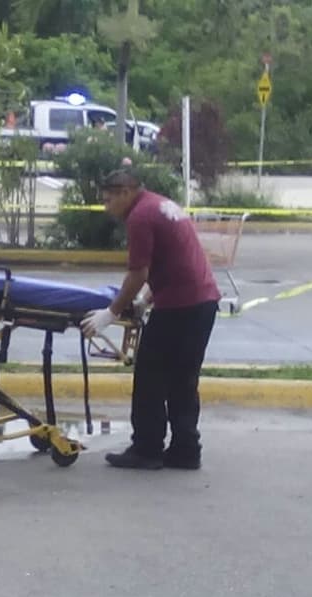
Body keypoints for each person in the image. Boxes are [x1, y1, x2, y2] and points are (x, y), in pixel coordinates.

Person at [80, 168, 221, 470]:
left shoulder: (140, 217)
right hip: (203, 302)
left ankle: (147, 448)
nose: (106, 208)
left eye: (108, 201)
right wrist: (145, 299)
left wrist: (111, 312)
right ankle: (185, 450)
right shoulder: (159, 204)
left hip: (180, 306)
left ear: (124, 193)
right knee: (183, 381)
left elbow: (138, 273)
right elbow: (173, 261)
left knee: (150, 378)